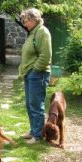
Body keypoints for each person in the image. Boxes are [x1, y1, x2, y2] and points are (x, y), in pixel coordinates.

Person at [18, 8, 52, 144]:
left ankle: (37, 136)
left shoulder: (42, 32)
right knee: (30, 104)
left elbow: (46, 56)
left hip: (38, 74)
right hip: (30, 73)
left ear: (33, 20)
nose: (24, 24)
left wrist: (35, 70)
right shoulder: (33, 32)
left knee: (36, 105)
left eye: (26, 21)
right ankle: (33, 130)